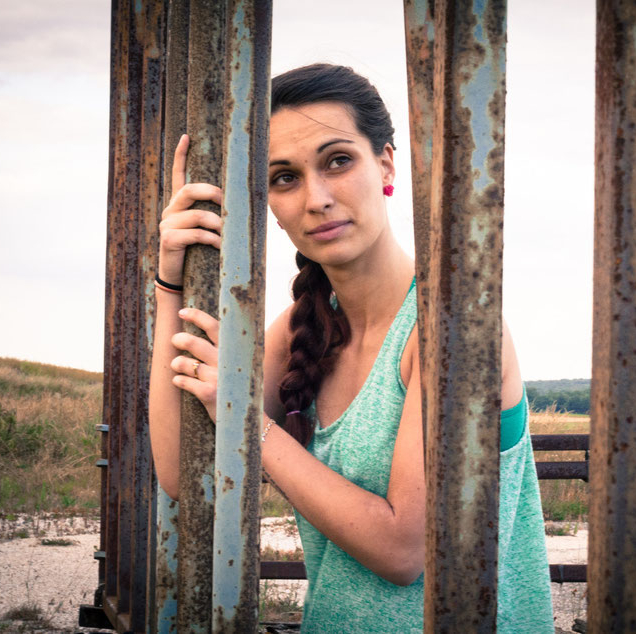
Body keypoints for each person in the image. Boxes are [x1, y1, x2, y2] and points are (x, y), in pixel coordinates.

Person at [148, 63, 554, 632]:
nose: (316, 198)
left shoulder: (455, 327)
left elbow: (402, 551)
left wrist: (244, 418)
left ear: (386, 164)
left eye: (338, 161)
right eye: (284, 178)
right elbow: (178, 471)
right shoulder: (299, 331)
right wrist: (171, 281)